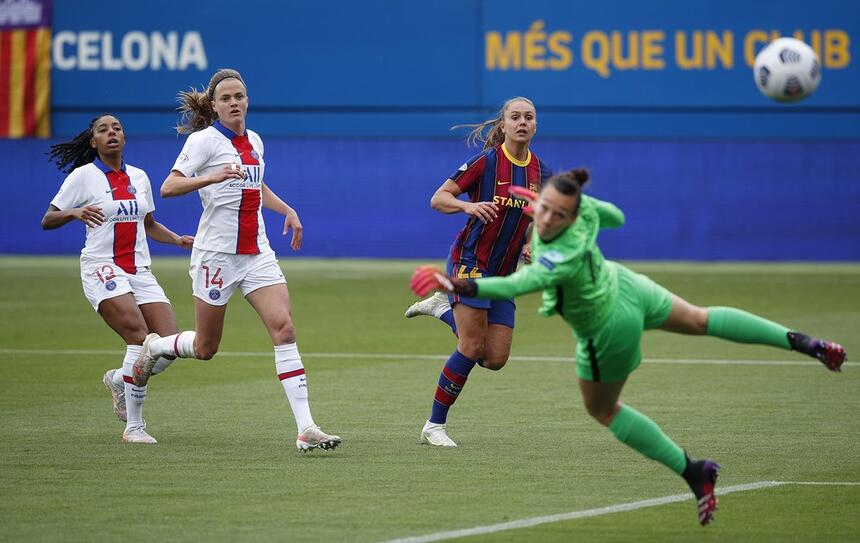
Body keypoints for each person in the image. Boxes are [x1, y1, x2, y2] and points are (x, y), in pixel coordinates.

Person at [409, 169, 847, 526]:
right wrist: (569, 204)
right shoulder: (585, 216)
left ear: (568, 218)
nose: (543, 221)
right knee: (701, 318)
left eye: (555, 216)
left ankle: (694, 471)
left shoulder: (557, 256)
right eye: (543, 211)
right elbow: (615, 216)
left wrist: (455, 283)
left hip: (608, 327)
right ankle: (802, 342)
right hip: (631, 287)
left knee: (604, 410)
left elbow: (515, 283)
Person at [131, 68, 340, 451]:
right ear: (214, 105)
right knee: (207, 347)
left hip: (257, 252)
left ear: (247, 100)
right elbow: (169, 185)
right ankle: (157, 347)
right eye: (226, 98)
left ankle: (306, 429)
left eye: (239, 96)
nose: (234, 103)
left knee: (285, 328)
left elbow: (254, 183)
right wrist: (209, 178)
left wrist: (286, 209)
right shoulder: (204, 141)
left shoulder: (255, 140)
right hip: (216, 254)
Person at [405, 97, 553, 447]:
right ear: (502, 125)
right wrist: (467, 205)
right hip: (471, 261)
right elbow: (438, 198)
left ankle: (441, 308)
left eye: (528, 117)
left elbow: (539, 222)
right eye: (514, 117)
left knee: (495, 358)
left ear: (535, 125)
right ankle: (434, 426)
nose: (521, 122)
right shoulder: (486, 163)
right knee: (471, 345)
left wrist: (533, 245)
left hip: (504, 274)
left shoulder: (542, 174)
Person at [41, 114, 195, 444]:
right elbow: (48, 219)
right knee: (140, 338)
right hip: (101, 267)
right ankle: (134, 428)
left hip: (139, 270)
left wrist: (177, 239)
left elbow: (149, 224)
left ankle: (119, 379)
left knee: (168, 346)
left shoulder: (139, 177)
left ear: (124, 138)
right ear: (93, 141)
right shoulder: (83, 177)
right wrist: (73, 212)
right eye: (103, 130)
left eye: (117, 129)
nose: (112, 133)